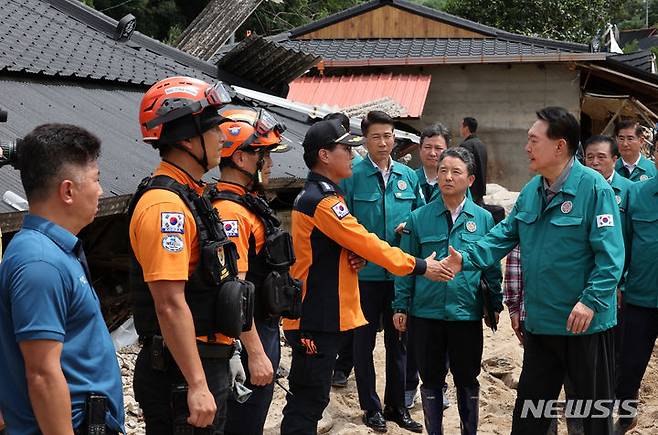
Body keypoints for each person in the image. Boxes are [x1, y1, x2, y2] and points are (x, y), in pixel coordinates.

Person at [441, 107, 625, 434]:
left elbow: (611, 256)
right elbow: (502, 235)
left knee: (594, 417)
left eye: (533, 140)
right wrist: (465, 258)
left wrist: (591, 300)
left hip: (587, 326)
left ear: (559, 146)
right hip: (542, 325)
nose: (526, 147)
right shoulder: (532, 191)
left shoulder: (594, 189)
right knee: (530, 417)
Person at [280, 118, 450, 435]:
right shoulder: (324, 200)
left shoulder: (322, 195)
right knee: (308, 401)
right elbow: (366, 241)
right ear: (324, 156)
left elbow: (342, 245)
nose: (352, 154)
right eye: (346, 148)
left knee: (311, 399)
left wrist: (347, 253)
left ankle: (395, 406)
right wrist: (421, 265)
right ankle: (372, 407)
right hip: (316, 316)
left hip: (324, 313)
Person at [129, 76, 243, 434]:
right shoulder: (165, 206)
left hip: (205, 361)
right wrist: (196, 384)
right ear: (187, 139)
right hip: (180, 375)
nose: (222, 137)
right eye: (213, 129)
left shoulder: (193, 196)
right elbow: (169, 303)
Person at [0, 124, 124, 434]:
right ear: (68, 191)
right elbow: (42, 373)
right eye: (96, 180)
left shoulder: (54, 251)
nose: (101, 191)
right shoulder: (41, 263)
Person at [393, 147, 503, 435]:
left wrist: (495, 304)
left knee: (467, 377)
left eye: (456, 172)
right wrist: (401, 306)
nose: (448, 177)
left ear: (470, 179)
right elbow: (406, 265)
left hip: (465, 313)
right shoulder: (418, 218)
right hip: (425, 313)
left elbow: (491, 266)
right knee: (430, 378)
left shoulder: (483, 219)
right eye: (443, 171)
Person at [341, 110, 424, 433]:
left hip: (399, 275)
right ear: (365, 139)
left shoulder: (408, 176)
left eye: (388, 135)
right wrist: (351, 253)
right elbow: (342, 223)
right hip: (365, 277)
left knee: (399, 342)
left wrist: (411, 228)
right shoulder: (352, 176)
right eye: (376, 136)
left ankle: (397, 406)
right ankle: (371, 408)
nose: (383, 142)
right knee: (363, 345)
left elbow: (419, 217)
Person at [209, 108, 290, 435]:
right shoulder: (230, 212)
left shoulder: (247, 204)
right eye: (263, 155)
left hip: (263, 327)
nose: (269, 163)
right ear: (241, 158)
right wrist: (255, 353)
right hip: (248, 335)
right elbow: (233, 292)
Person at [615, 145, 658, 434]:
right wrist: (619, 283)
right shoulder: (638, 194)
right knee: (628, 367)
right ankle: (628, 414)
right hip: (641, 296)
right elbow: (624, 244)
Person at [416, 123, 450, 203]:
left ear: (447, 151)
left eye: (438, 148)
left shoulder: (456, 182)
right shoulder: (409, 180)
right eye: (428, 147)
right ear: (420, 149)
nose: (432, 153)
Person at [459, 117, 487, 204]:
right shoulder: (481, 144)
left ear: (466, 128)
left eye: (461, 126)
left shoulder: (466, 146)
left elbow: (465, 169)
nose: (460, 129)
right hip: (480, 191)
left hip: (470, 192)